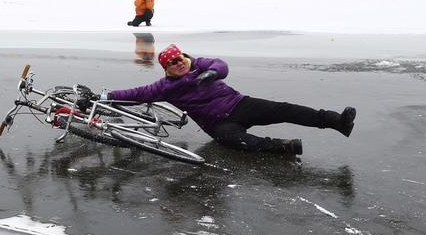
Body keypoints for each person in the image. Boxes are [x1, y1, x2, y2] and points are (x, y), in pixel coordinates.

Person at [106, 44, 357, 155]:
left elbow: (221, 65)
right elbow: (136, 94)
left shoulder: (200, 65)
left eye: (179, 58)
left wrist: (212, 73)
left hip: (240, 105)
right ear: (166, 69)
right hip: (218, 125)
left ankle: (337, 122)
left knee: (285, 110)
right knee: (243, 142)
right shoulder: (165, 87)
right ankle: (286, 147)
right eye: (171, 63)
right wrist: (108, 96)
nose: (178, 63)